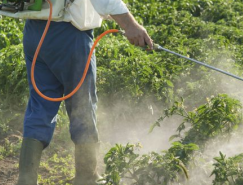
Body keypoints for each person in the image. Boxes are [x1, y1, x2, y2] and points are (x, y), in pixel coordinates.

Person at [16, 0, 153, 184]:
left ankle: (26, 178)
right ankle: (87, 176)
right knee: (82, 106)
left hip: (35, 33)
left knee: (39, 105)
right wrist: (130, 25)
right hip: (69, 35)